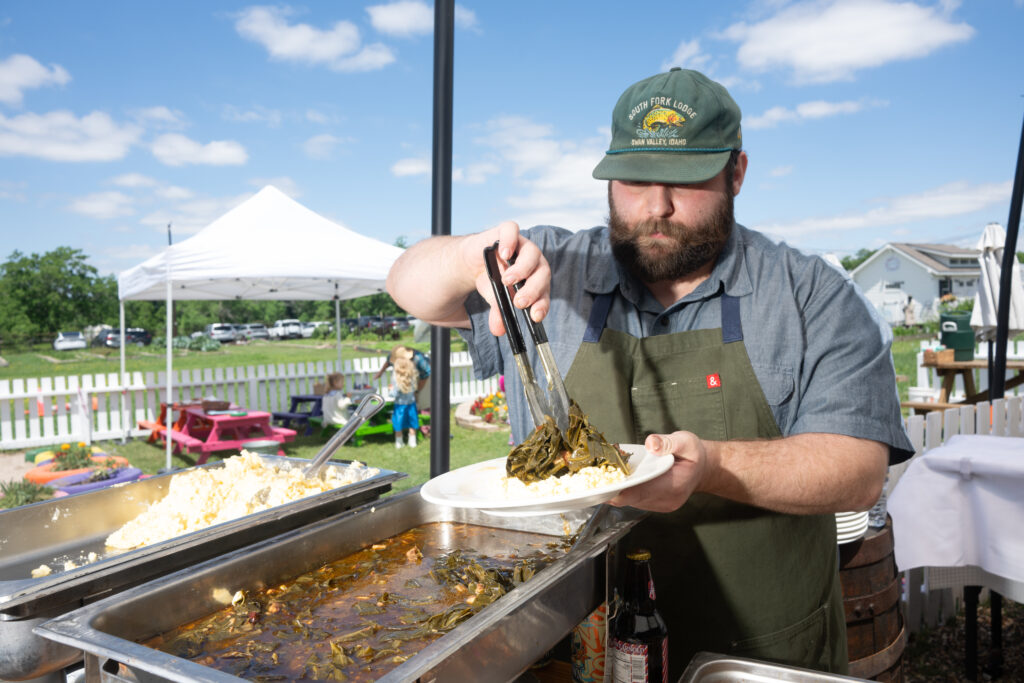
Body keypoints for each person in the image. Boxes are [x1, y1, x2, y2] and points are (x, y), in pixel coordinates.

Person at [386, 68, 913, 676]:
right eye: (634, 181)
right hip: (567, 643)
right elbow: (410, 285)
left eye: (686, 181)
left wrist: (713, 467)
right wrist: (465, 256)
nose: (656, 208)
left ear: (736, 173)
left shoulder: (811, 294)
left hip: (753, 651)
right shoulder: (550, 268)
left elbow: (857, 471)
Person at [376, 345, 421, 448]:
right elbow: (414, 390)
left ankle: (399, 442)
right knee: (412, 423)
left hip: (400, 406)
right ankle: (412, 441)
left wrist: (390, 390)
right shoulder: (412, 378)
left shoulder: (397, 381)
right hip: (411, 404)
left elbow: (394, 394)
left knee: (398, 425)